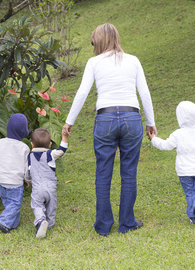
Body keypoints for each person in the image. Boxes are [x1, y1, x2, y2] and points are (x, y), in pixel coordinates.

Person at [62, 23, 156, 235]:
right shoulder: (133, 60)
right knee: (129, 173)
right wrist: (150, 122)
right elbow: (145, 93)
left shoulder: (94, 62)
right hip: (131, 117)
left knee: (103, 173)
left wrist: (69, 121)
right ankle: (127, 223)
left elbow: (82, 93)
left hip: (105, 119)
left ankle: (103, 226)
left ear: (99, 40)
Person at [147, 101, 195, 224]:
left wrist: (153, 139)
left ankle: (193, 217)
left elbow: (165, 145)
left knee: (189, 192)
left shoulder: (178, 134)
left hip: (184, 171)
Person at [0, 113, 31, 233]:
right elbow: (26, 168)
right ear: (24, 131)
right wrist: (28, 180)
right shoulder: (24, 148)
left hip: (1, 179)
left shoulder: (0, 143)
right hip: (15, 182)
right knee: (15, 204)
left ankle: (13, 224)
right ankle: (4, 222)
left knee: (8, 203)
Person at [28, 128, 68, 239]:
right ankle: (49, 224)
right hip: (50, 188)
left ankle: (41, 221)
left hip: (37, 188)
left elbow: (28, 171)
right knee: (51, 206)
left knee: (37, 206)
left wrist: (27, 181)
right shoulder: (50, 154)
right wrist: (64, 137)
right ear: (50, 144)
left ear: (32, 144)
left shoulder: (30, 157)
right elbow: (61, 150)